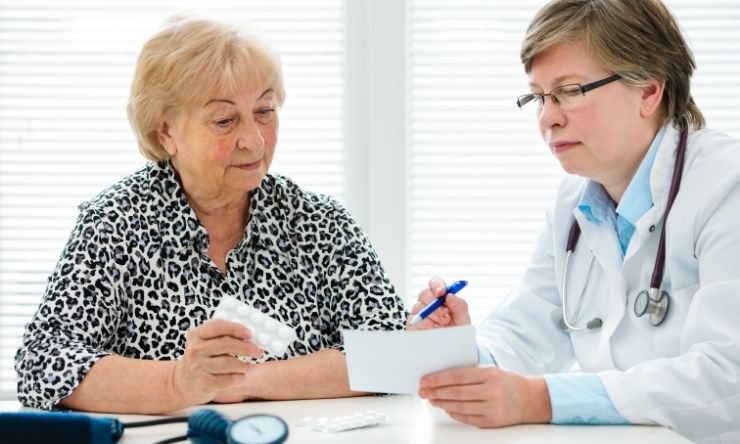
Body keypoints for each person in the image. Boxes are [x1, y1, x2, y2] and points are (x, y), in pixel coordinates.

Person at [15, 15, 407, 414]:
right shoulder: (114, 223)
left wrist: (246, 381)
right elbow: (43, 364)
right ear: (165, 132)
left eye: (265, 111)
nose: (253, 140)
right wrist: (178, 382)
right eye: (224, 120)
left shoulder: (320, 222)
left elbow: (397, 355)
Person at [408, 1, 740, 442]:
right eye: (538, 96)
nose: (547, 118)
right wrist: (458, 350)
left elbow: (727, 378)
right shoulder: (575, 205)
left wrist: (541, 399)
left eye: (571, 90)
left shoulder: (725, 187)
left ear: (648, 91)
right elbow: (526, 333)